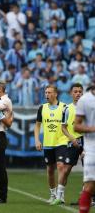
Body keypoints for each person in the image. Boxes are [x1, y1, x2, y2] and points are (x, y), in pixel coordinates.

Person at [34, 85, 69, 204]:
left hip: (62, 141)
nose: (46, 95)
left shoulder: (64, 107)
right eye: (45, 93)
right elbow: (37, 125)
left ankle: (60, 195)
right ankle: (53, 194)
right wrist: (37, 140)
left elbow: (68, 125)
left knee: (60, 166)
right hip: (48, 143)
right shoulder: (42, 108)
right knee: (50, 170)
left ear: (55, 94)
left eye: (49, 92)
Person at [50, 84, 84, 205]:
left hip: (87, 141)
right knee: (65, 169)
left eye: (80, 91)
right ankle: (59, 197)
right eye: (75, 91)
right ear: (71, 93)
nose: (78, 94)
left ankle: (86, 198)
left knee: (89, 170)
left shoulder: (88, 107)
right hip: (73, 141)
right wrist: (72, 139)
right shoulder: (67, 109)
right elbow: (63, 128)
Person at [74, 83, 95, 213]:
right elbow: (76, 126)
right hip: (92, 149)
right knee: (89, 186)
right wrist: (93, 128)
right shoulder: (85, 100)